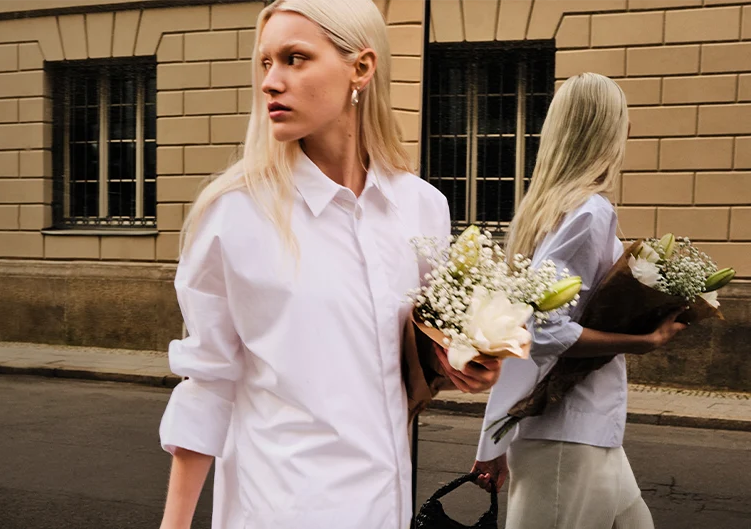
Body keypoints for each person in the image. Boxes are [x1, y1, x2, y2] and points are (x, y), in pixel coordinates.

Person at [156, 1, 501, 528]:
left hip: (385, 504)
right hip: (279, 507)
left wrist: (461, 364)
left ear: (361, 68)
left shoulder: (421, 207)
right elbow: (207, 383)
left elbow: (412, 357)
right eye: (266, 63)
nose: (271, 81)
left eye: (295, 58)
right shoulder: (234, 214)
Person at [470, 72, 688, 529]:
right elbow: (541, 331)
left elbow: (517, 332)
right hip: (568, 434)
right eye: (623, 120)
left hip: (578, 429)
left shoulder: (548, 212)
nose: (629, 131)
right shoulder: (591, 212)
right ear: (606, 129)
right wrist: (642, 340)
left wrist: (496, 441)